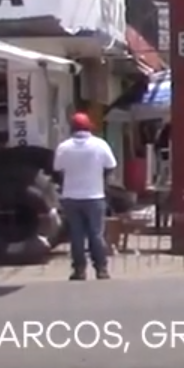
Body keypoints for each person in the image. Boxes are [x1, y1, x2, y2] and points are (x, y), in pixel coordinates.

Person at [54, 112, 118, 281]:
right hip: (95, 196)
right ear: (89, 127)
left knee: (76, 235)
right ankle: (101, 269)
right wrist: (101, 180)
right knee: (96, 234)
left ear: (72, 128)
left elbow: (58, 169)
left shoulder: (64, 147)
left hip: (71, 197)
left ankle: (79, 270)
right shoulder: (100, 145)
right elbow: (111, 166)